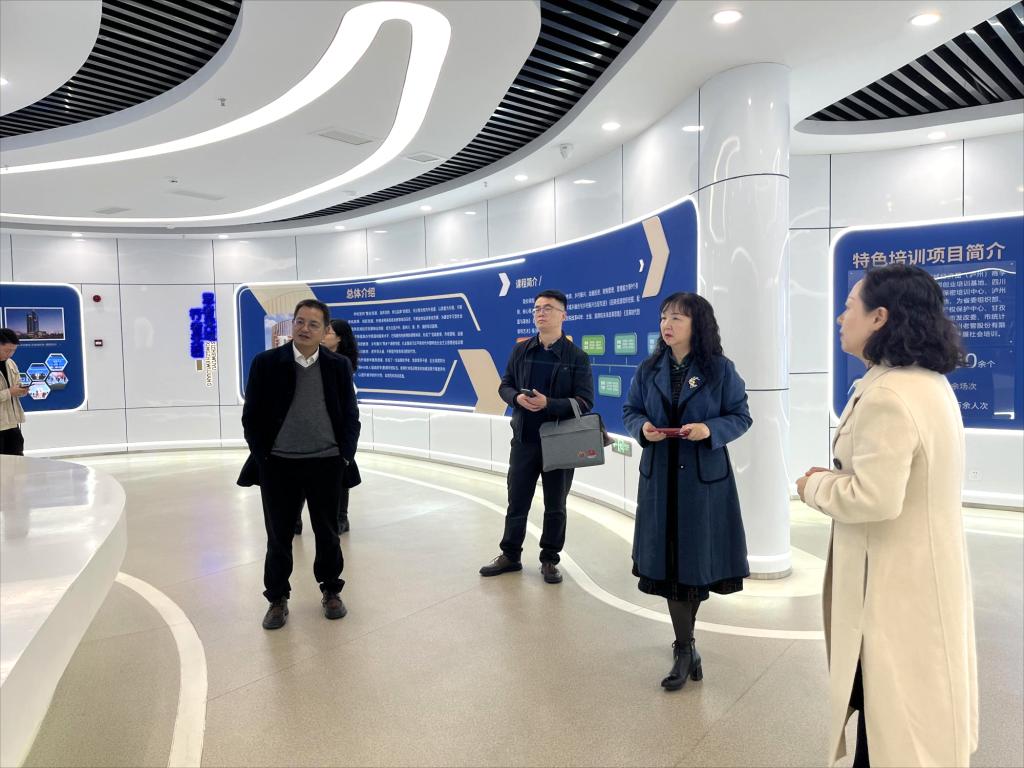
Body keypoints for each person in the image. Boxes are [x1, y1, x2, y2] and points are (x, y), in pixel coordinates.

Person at [797, 265, 977, 767]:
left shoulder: (888, 395)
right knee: (910, 719)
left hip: (892, 586)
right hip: (924, 576)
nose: (841, 318)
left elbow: (875, 498)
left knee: (892, 725)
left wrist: (814, 487)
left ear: (880, 317)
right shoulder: (927, 383)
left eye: (849, 307)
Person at [622, 293, 751, 691]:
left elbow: (741, 415)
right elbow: (631, 411)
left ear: (698, 324)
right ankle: (685, 647)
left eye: (677, 317)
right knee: (670, 563)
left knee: (693, 562)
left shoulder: (720, 369)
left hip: (702, 482)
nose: (668, 324)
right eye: (664, 317)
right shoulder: (649, 369)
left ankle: (685, 646)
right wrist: (642, 429)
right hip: (660, 478)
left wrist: (709, 429)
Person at [241, 299, 360, 630]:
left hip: (326, 463)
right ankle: (277, 599)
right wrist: (263, 456)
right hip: (278, 464)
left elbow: (350, 415)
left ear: (325, 330)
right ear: (291, 324)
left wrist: (344, 455)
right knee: (279, 537)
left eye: (313, 324)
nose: (305, 328)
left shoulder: (338, 366)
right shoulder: (266, 363)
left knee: (328, 533)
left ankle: (331, 590)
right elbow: (251, 416)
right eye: (300, 321)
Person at [479, 289, 594, 584]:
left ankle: (549, 559)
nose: (541, 313)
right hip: (525, 439)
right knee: (517, 500)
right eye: (537, 308)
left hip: (560, 441)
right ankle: (510, 555)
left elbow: (585, 401)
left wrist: (549, 404)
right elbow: (504, 385)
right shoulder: (521, 350)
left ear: (563, 315)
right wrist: (516, 398)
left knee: (555, 505)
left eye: (548, 308)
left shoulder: (577, 357)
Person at [322, 318, 360, 534]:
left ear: (339, 338)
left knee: (342, 470)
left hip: (339, 426)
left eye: (328, 332)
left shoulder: (343, 364)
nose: (323, 335)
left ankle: (341, 517)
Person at [0, 328, 28, 456]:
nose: (10, 354)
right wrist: (10, 392)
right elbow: (10, 391)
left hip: (12, 423)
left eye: (13, 351)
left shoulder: (10, 363)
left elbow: (16, 384)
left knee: (17, 460)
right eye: (7, 350)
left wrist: (21, 391)